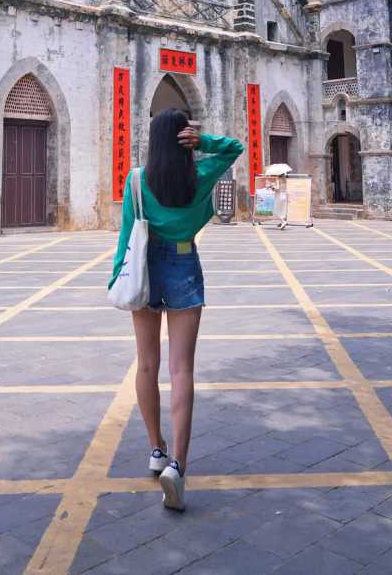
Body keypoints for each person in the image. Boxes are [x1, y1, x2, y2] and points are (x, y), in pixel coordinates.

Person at [108, 109, 244, 511]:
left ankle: (155, 448)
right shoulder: (199, 176)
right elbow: (235, 148)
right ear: (183, 137)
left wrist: (118, 275)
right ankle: (178, 466)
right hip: (185, 264)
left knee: (146, 364)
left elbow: (125, 236)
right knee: (181, 368)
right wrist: (203, 141)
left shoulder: (136, 179)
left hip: (145, 267)